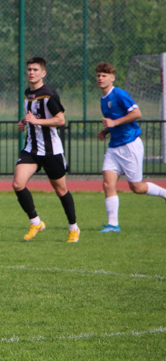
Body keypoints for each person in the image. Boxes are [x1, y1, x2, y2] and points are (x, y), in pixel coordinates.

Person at [12, 57, 79, 243]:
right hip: (31, 149)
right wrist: (23, 122)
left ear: (43, 73)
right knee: (18, 184)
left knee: (61, 190)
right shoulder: (27, 94)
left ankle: (73, 227)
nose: (31, 72)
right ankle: (36, 222)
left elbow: (60, 120)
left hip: (51, 151)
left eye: (35, 69)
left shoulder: (49, 95)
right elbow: (33, 117)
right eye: (29, 69)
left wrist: (36, 121)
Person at [95, 62, 166, 232]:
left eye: (104, 75)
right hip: (114, 147)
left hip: (129, 145)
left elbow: (136, 113)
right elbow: (114, 121)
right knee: (107, 183)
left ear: (112, 78)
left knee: (137, 188)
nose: (100, 78)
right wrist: (106, 131)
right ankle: (113, 225)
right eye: (98, 75)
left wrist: (114, 123)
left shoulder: (119, 94)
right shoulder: (103, 99)